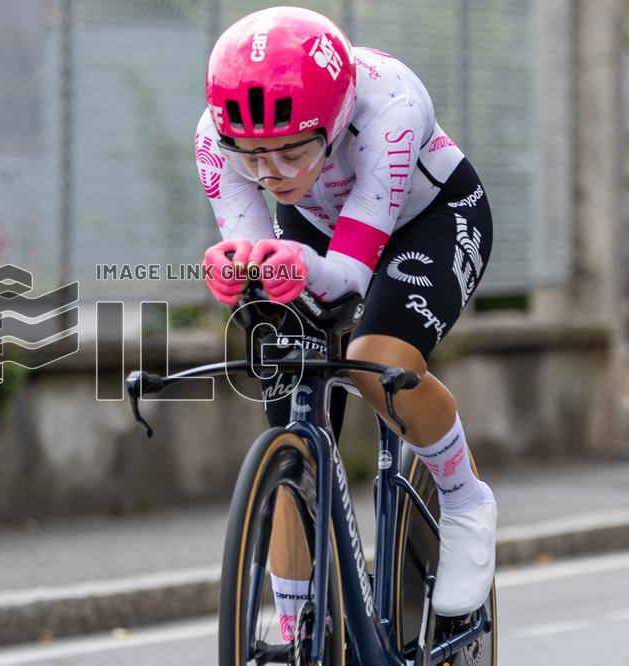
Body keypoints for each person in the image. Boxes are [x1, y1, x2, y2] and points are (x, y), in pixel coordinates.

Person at [195, 6, 496, 640]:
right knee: (286, 401)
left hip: (429, 219)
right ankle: (300, 626)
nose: (270, 172)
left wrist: (295, 262)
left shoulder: (390, 107)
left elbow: (348, 278)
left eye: (289, 151)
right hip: (316, 228)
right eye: (251, 156)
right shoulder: (216, 137)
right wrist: (238, 274)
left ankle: (465, 497)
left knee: (378, 359)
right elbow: (254, 254)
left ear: (333, 125)